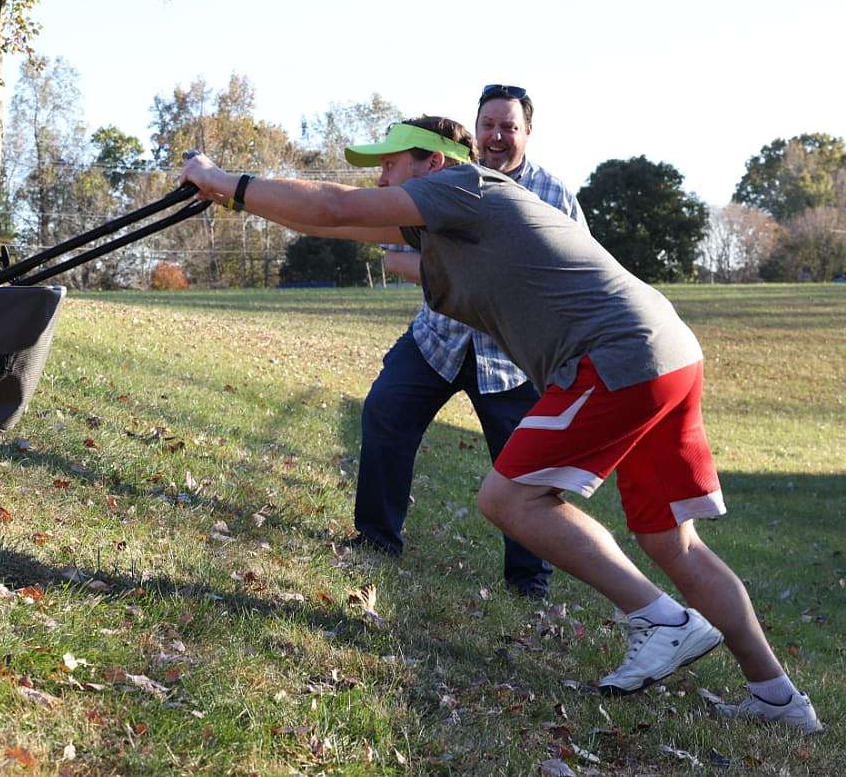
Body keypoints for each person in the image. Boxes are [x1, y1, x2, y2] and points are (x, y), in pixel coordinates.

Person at [178, 120, 823, 733]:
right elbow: (335, 222)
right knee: (669, 541)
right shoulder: (451, 222)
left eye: (391, 165)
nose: (382, 181)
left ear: (433, 161)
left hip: (615, 355)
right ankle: (777, 697)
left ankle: (658, 619)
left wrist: (223, 176)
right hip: (667, 351)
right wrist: (233, 197)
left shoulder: (464, 186)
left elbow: (331, 205)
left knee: (510, 498)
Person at [354, 87, 583, 604]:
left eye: (509, 127)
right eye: (488, 126)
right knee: (385, 414)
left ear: (527, 132)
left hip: (512, 359)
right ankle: (375, 542)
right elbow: (393, 256)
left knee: (527, 470)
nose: (496, 137)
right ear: (474, 130)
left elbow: (574, 273)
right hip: (438, 338)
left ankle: (529, 583)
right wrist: (467, 278)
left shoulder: (553, 195)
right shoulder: (448, 179)